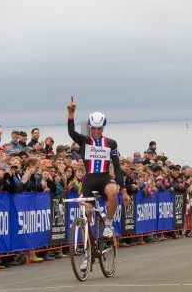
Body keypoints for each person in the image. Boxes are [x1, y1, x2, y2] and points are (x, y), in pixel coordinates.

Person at [67, 96, 129, 272]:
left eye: (98, 128)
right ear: (90, 127)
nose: (95, 131)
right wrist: (71, 114)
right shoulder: (85, 140)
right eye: (93, 128)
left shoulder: (111, 143)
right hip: (88, 180)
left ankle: (108, 224)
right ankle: (86, 253)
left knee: (112, 191)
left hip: (103, 178)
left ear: (103, 128)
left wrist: (123, 190)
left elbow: (117, 167)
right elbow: (72, 133)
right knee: (85, 213)